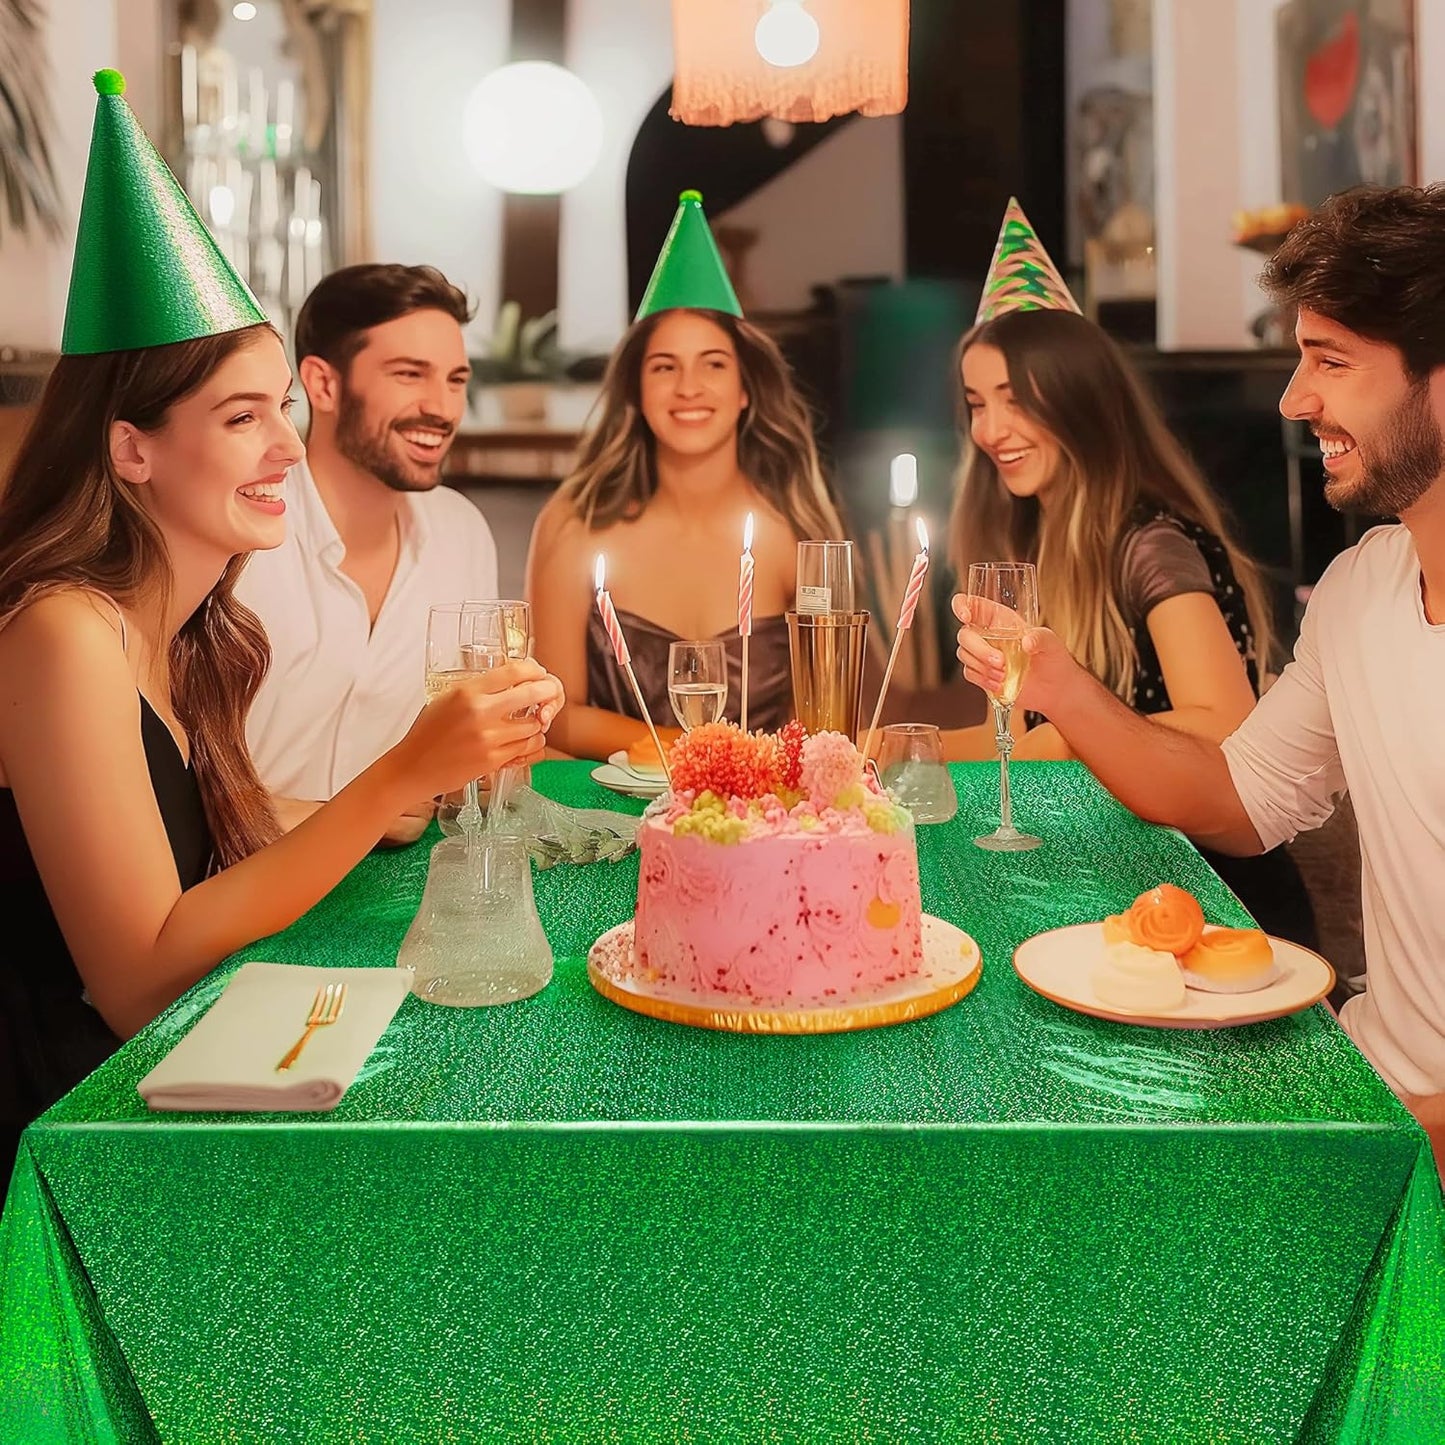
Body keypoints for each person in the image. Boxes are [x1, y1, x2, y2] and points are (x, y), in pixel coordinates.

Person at [0, 73, 563, 1133]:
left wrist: (392, 802)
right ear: (131, 448)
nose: (286, 448)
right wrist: (400, 772)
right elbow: (137, 983)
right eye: (240, 417)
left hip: (165, 1063)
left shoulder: (189, 627)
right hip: (72, 1119)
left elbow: (208, 842)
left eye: (282, 410)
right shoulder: (63, 631)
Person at [955, 184, 1445, 1160]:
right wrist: (1057, 684)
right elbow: (1236, 797)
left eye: (1330, 361)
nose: (1292, 399)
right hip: (1360, 1080)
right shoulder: (1359, 587)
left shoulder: (1158, 540)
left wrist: (1388, 1145)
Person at [944, 200, 1315, 946]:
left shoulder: (1152, 543)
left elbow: (1225, 724)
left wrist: (1071, 733)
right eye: (977, 404)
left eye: (1015, 401)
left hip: (1211, 900)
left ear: (1079, 399)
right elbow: (1007, 738)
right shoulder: (1026, 540)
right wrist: (887, 748)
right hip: (1099, 876)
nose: (989, 430)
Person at [527, 191, 845, 762]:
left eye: (713, 364)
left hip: (768, 808)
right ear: (636, 389)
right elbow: (555, 718)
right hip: (613, 808)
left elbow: (829, 724)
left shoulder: (797, 531)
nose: (688, 388)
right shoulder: (573, 524)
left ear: (745, 389)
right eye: (664, 367)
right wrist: (691, 751)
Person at [236, 263, 499, 842]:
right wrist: (351, 815)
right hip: (237, 868)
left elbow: (468, 734)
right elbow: (159, 776)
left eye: (456, 380)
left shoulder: (463, 532)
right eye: (409, 374)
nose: (443, 408)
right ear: (323, 385)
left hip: (404, 870)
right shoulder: (238, 533)